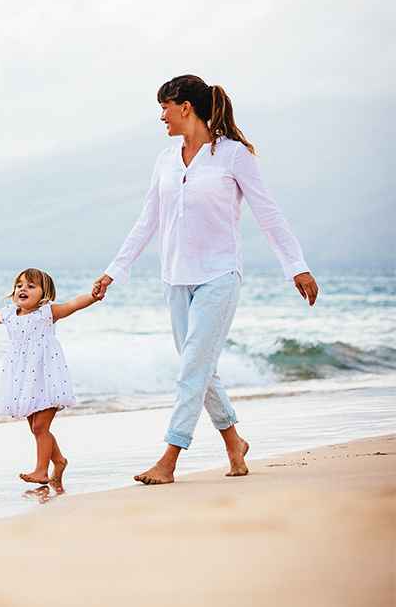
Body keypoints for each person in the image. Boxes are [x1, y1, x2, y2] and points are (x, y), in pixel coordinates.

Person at [91, 74, 319, 485]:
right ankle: (234, 441)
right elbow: (148, 221)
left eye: (165, 106)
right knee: (199, 366)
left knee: (192, 368)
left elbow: (268, 214)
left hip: (219, 275)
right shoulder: (164, 160)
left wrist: (296, 266)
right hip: (175, 278)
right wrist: (113, 271)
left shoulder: (234, 156)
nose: (161, 115)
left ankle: (170, 459)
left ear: (185, 107)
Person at [0, 268, 100, 488]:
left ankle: (42, 471)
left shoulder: (47, 313)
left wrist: (93, 296)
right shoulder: (10, 314)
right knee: (36, 427)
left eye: (31, 286)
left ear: (45, 294)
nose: (23, 289)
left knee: (41, 427)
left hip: (46, 376)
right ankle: (58, 461)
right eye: (19, 285)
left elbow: (73, 305)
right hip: (22, 378)